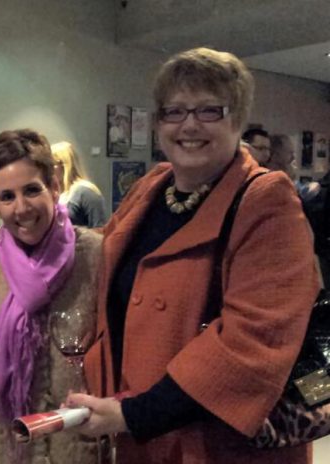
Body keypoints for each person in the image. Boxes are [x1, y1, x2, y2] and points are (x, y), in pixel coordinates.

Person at [67, 47, 318, 464]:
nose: (188, 125)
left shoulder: (266, 200)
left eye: (208, 111)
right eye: (174, 111)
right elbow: (101, 243)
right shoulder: (155, 184)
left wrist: (134, 414)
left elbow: (251, 342)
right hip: (143, 436)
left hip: (216, 442)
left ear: (236, 118)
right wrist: (26, 235)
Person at [0, 129, 102, 464]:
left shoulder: (98, 257)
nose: (22, 208)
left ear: (55, 186)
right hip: (3, 445)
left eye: (31, 190)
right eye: (7, 197)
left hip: (76, 445)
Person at [51, 141, 108, 228]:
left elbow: (99, 229)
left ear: (64, 165)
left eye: (52, 165)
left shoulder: (86, 192)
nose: (48, 170)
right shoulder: (54, 193)